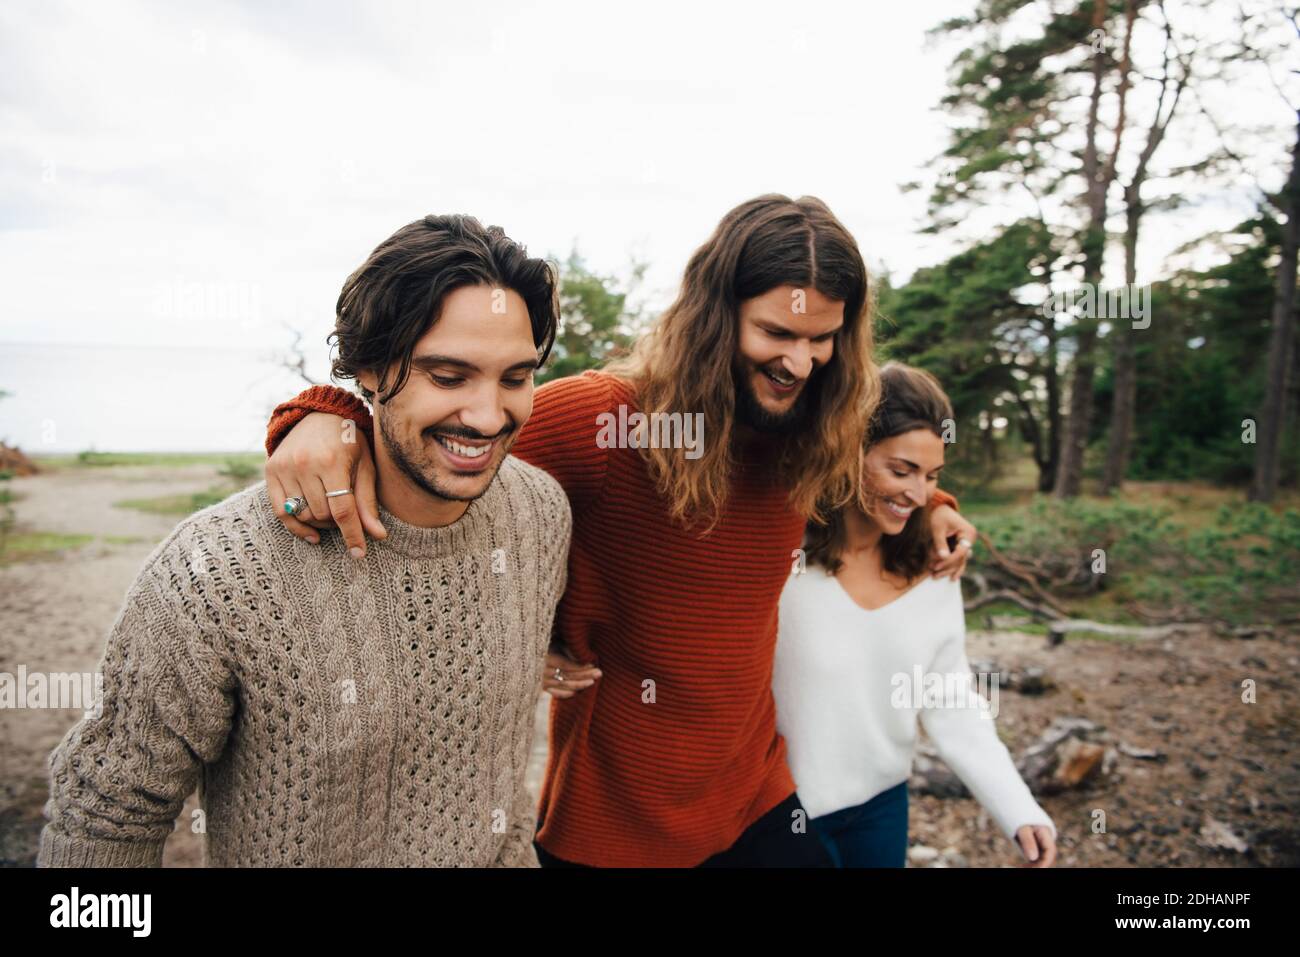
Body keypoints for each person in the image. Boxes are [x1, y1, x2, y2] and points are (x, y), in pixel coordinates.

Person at [261, 194, 978, 867]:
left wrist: (936, 501)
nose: (800, 360)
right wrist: (322, 412)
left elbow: (886, 465)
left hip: (755, 795)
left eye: (823, 339)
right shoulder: (610, 423)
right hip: (613, 821)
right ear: (716, 314)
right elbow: (456, 436)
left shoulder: (813, 425)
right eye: (776, 332)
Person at [38, 213, 571, 867]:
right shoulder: (219, 568)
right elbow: (108, 810)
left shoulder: (540, 512)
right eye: (449, 376)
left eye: (515, 377)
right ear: (369, 371)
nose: (489, 414)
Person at [774, 362, 1057, 867]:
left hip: (883, 806)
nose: (919, 494)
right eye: (900, 471)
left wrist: (1018, 808)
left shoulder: (935, 569)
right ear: (847, 450)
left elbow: (950, 700)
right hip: (780, 816)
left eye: (931, 478)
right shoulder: (779, 561)